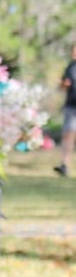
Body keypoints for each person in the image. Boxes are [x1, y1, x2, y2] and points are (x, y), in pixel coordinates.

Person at [56, 42, 76, 177]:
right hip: (71, 105)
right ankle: (65, 165)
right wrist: (64, 84)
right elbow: (62, 86)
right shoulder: (70, 67)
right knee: (69, 134)